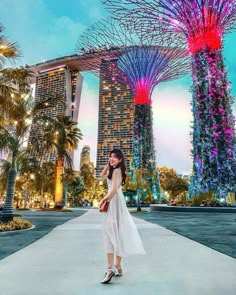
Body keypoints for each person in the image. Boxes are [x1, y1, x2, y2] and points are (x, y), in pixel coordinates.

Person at [99, 148, 145, 284]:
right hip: (114, 201)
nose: (111, 158)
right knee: (115, 232)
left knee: (112, 232)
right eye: (110, 156)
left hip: (114, 202)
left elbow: (113, 190)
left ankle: (111, 268)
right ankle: (117, 266)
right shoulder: (113, 169)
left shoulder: (118, 171)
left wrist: (103, 199)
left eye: (115, 157)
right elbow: (101, 175)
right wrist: (108, 164)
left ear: (120, 160)